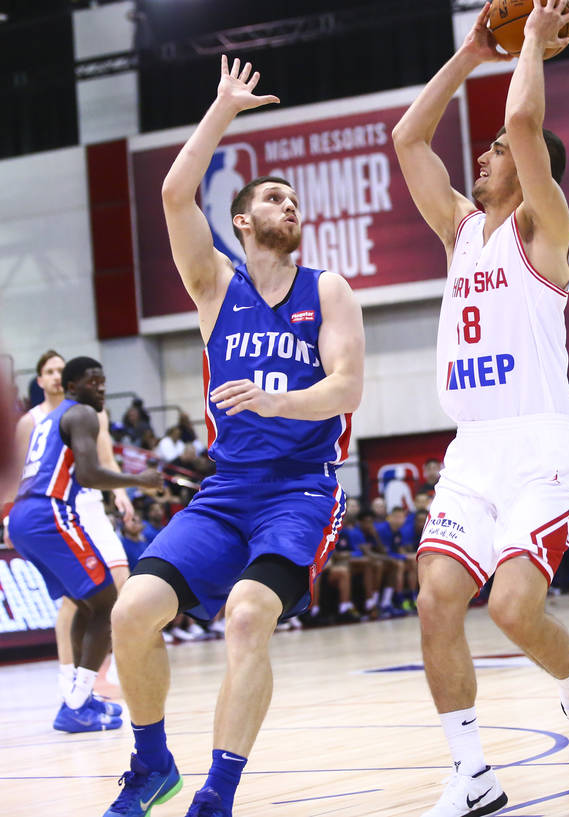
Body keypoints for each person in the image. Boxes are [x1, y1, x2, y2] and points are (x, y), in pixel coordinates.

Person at [101, 55, 364, 817]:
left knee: (247, 616)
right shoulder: (217, 286)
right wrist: (222, 110)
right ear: (243, 222)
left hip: (300, 491)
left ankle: (216, 794)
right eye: (274, 198)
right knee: (131, 611)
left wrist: (276, 402)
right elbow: (174, 193)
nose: (290, 205)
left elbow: (346, 389)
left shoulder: (329, 290)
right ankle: (151, 764)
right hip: (225, 493)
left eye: (293, 199)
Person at [393, 3, 569, 813]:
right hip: (472, 449)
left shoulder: (545, 226)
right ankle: (472, 772)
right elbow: (408, 141)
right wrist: (468, 54)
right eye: (485, 149)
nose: (483, 155)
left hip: (540, 448)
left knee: (514, 609)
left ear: (528, 169)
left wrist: (526, 45)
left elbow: (523, 118)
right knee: (436, 598)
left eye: (493, 150)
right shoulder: (459, 228)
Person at [6, 357, 162, 733]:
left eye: (104, 381)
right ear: (73, 387)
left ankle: (78, 698)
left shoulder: (50, 417)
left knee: (84, 603)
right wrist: (139, 481)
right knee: (108, 602)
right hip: (50, 512)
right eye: (94, 382)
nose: (102, 389)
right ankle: (76, 703)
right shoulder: (82, 415)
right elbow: (90, 473)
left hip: (26, 515)